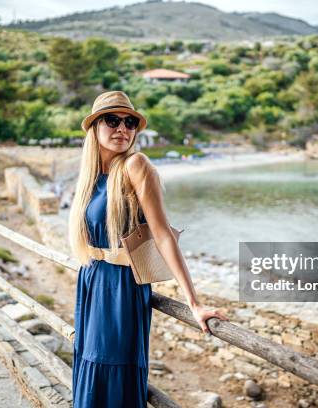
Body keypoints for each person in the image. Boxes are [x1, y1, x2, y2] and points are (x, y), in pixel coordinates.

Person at [68, 91, 229, 407]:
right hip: (91, 282)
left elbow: (163, 235)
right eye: (112, 120)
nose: (122, 129)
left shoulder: (135, 166)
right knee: (89, 366)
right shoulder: (89, 177)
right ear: (95, 127)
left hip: (120, 290)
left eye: (129, 122)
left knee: (110, 373)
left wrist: (194, 303)